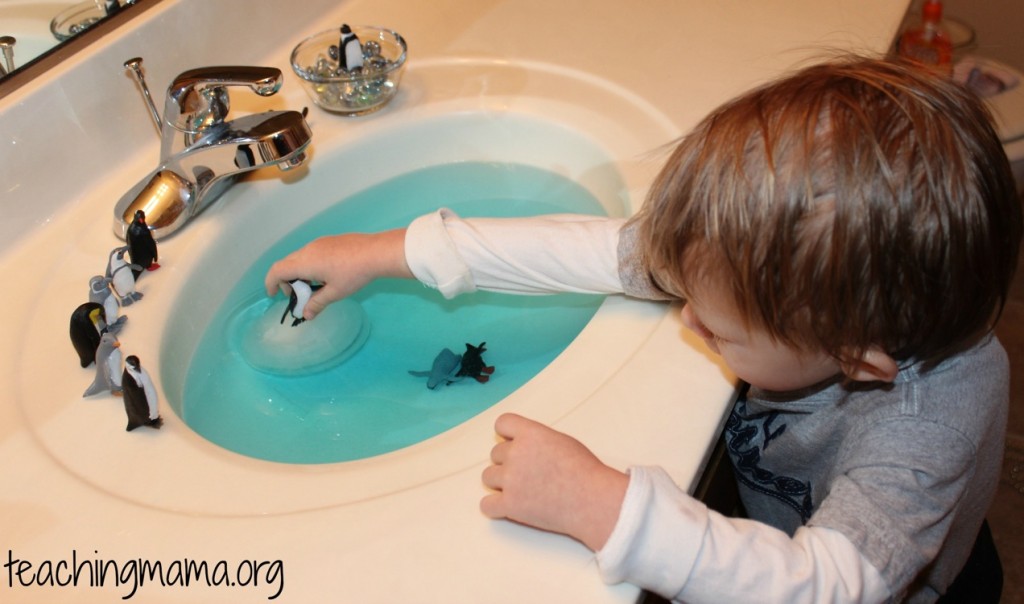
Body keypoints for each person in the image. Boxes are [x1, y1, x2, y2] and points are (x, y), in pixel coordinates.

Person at [265, 56, 1022, 602]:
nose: (686, 318)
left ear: (858, 361)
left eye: (719, 331)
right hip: (776, 507)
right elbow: (593, 250)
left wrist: (606, 509)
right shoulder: (777, 267)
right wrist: (382, 252)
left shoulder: (928, 429)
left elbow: (829, 587)